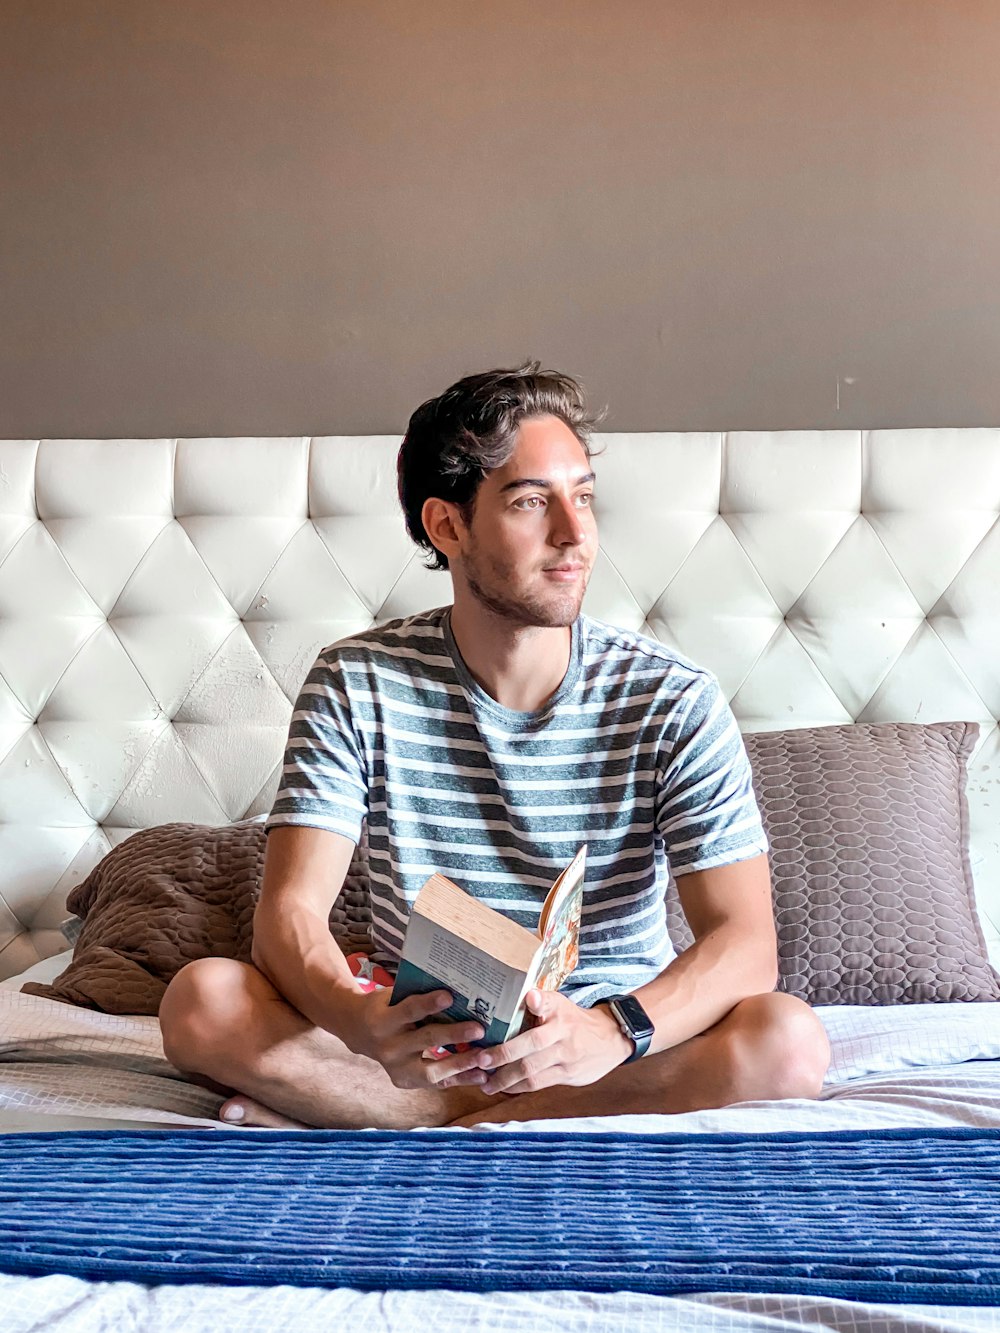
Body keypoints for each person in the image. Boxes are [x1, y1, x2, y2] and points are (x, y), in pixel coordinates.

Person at [159, 363, 831, 1128]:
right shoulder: (356, 681)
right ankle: (461, 1106)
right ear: (448, 526)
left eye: (582, 497)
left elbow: (745, 943)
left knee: (788, 1044)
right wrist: (361, 1024)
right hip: (415, 1048)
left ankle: (429, 1118)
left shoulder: (673, 696)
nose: (575, 534)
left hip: (607, 1050)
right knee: (201, 1002)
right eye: (530, 502)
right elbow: (287, 917)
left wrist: (613, 1030)